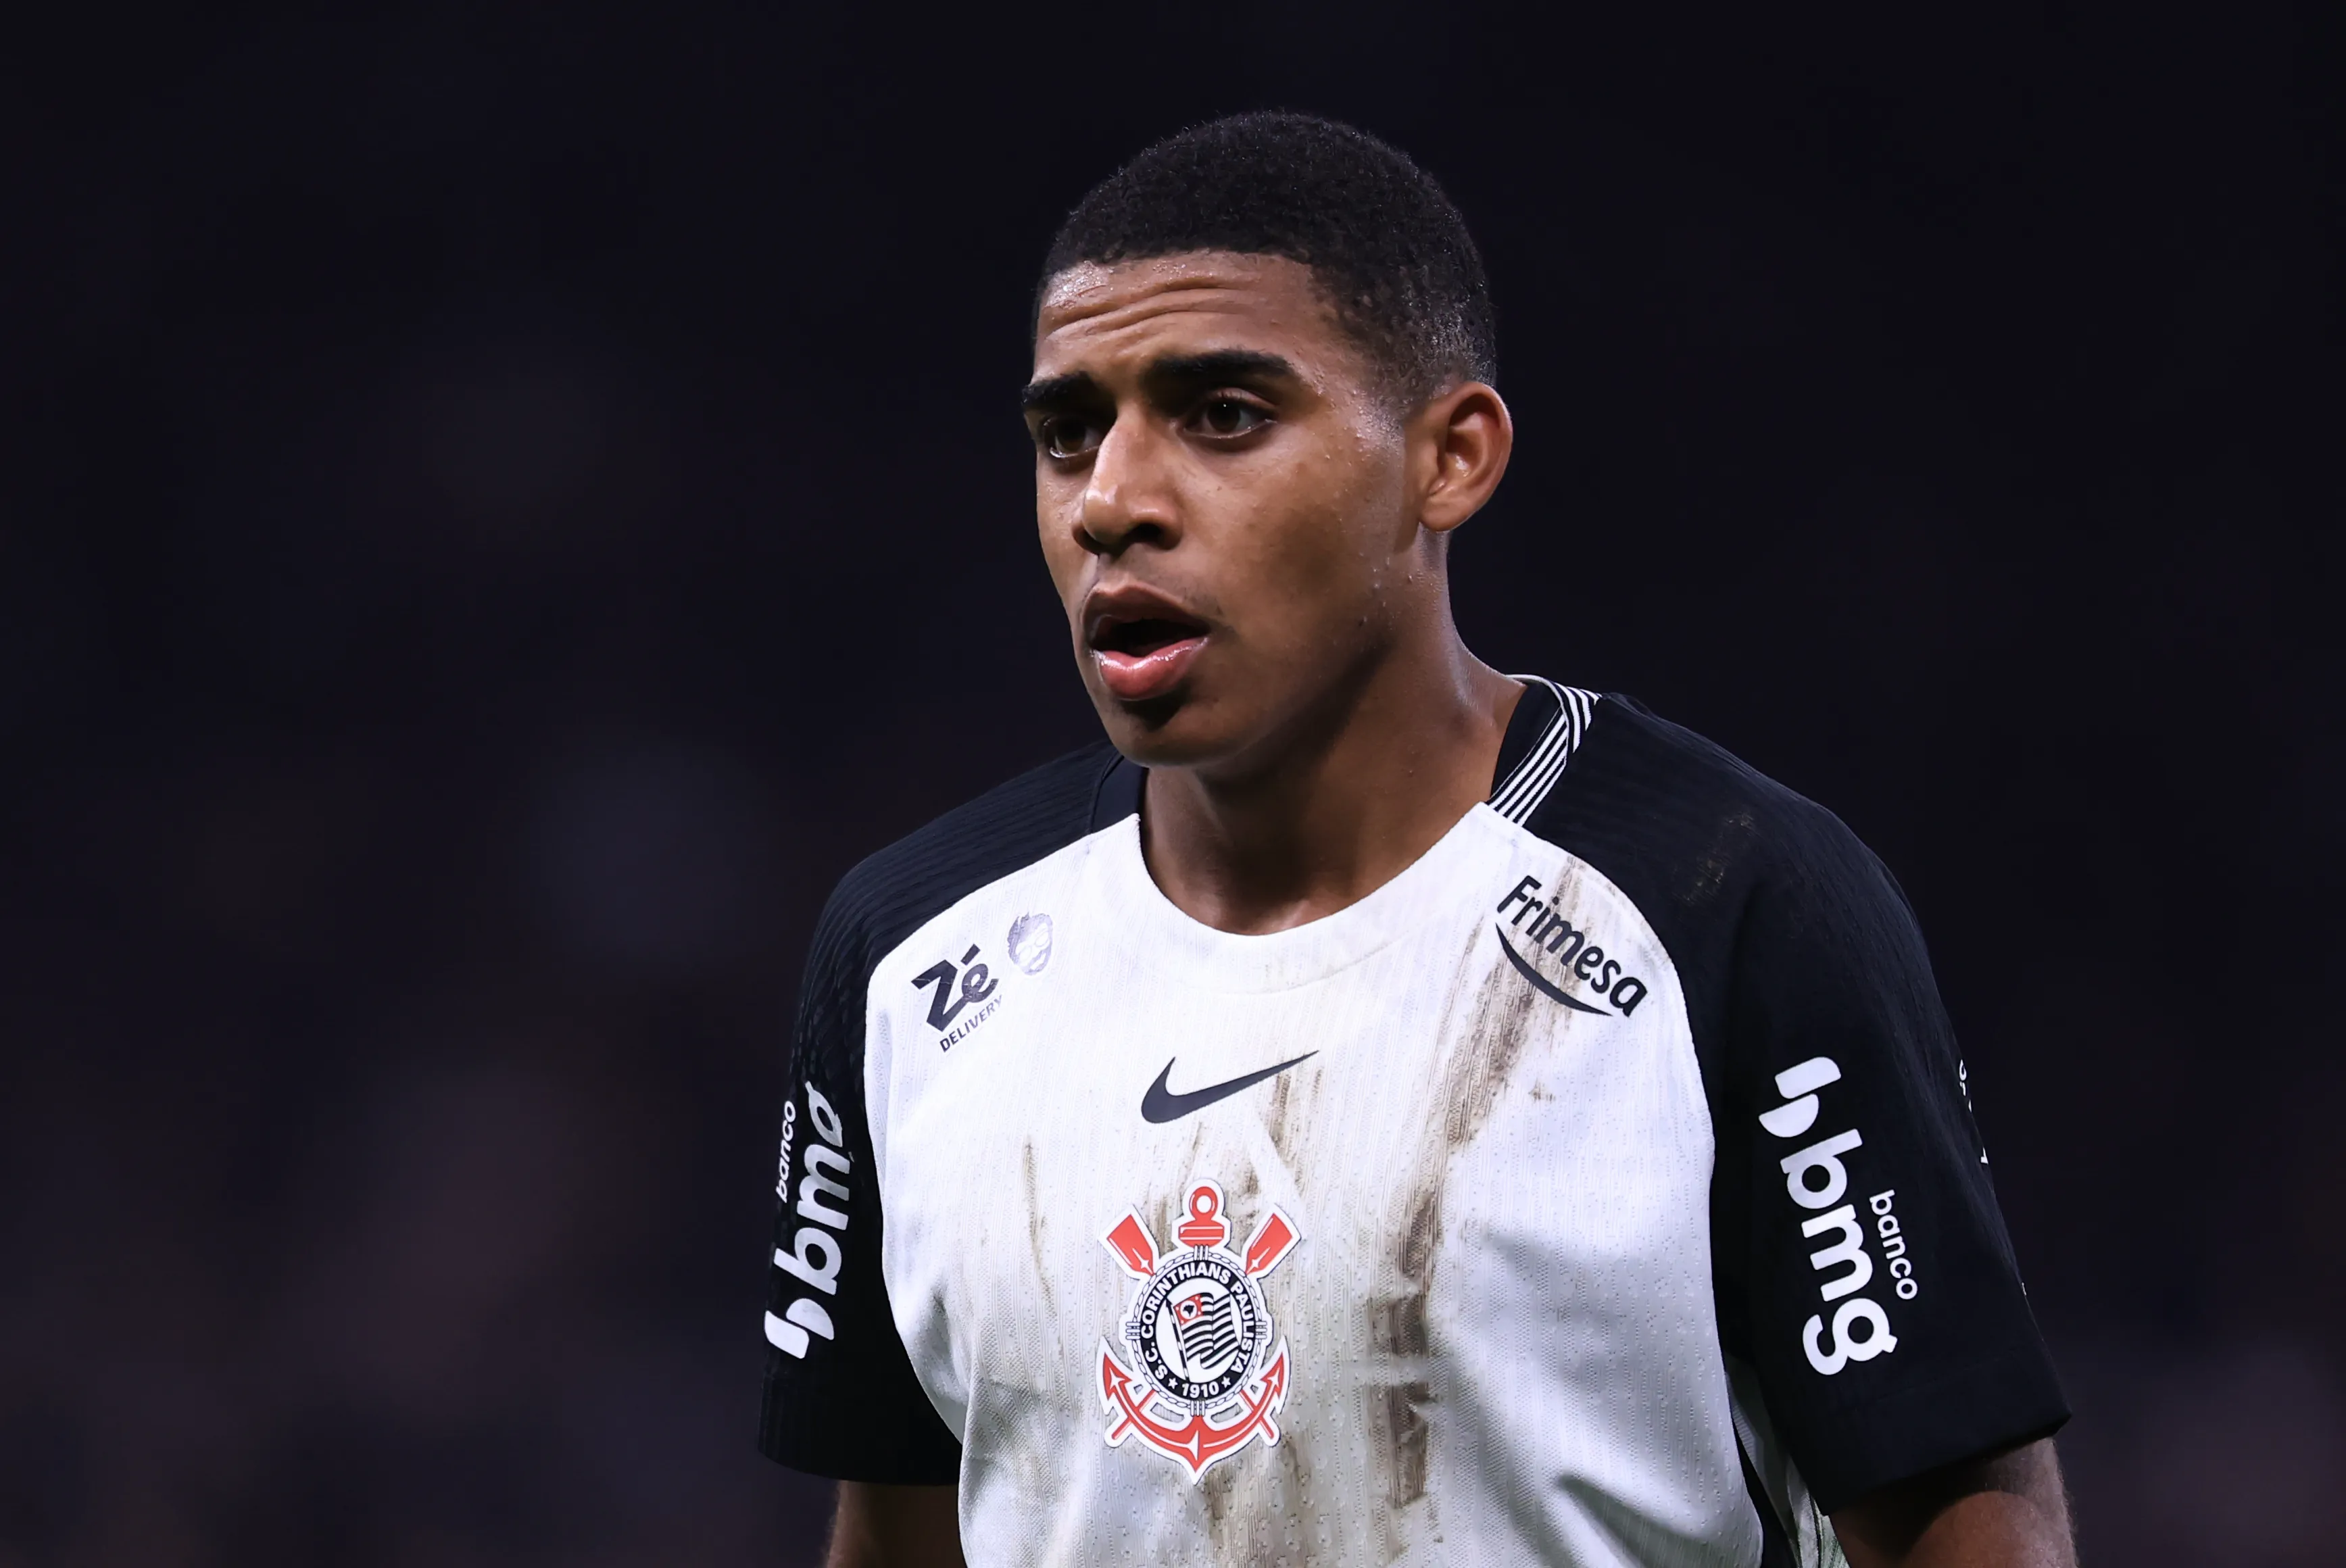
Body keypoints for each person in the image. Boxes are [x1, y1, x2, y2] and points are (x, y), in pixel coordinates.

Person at [756, 112, 2074, 1568]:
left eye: (1223, 414)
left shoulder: (1730, 908)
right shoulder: (907, 955)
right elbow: (895, 1526)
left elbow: (1963, 1510)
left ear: (1450, 458)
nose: (1113, 502)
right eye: (1068, 433)